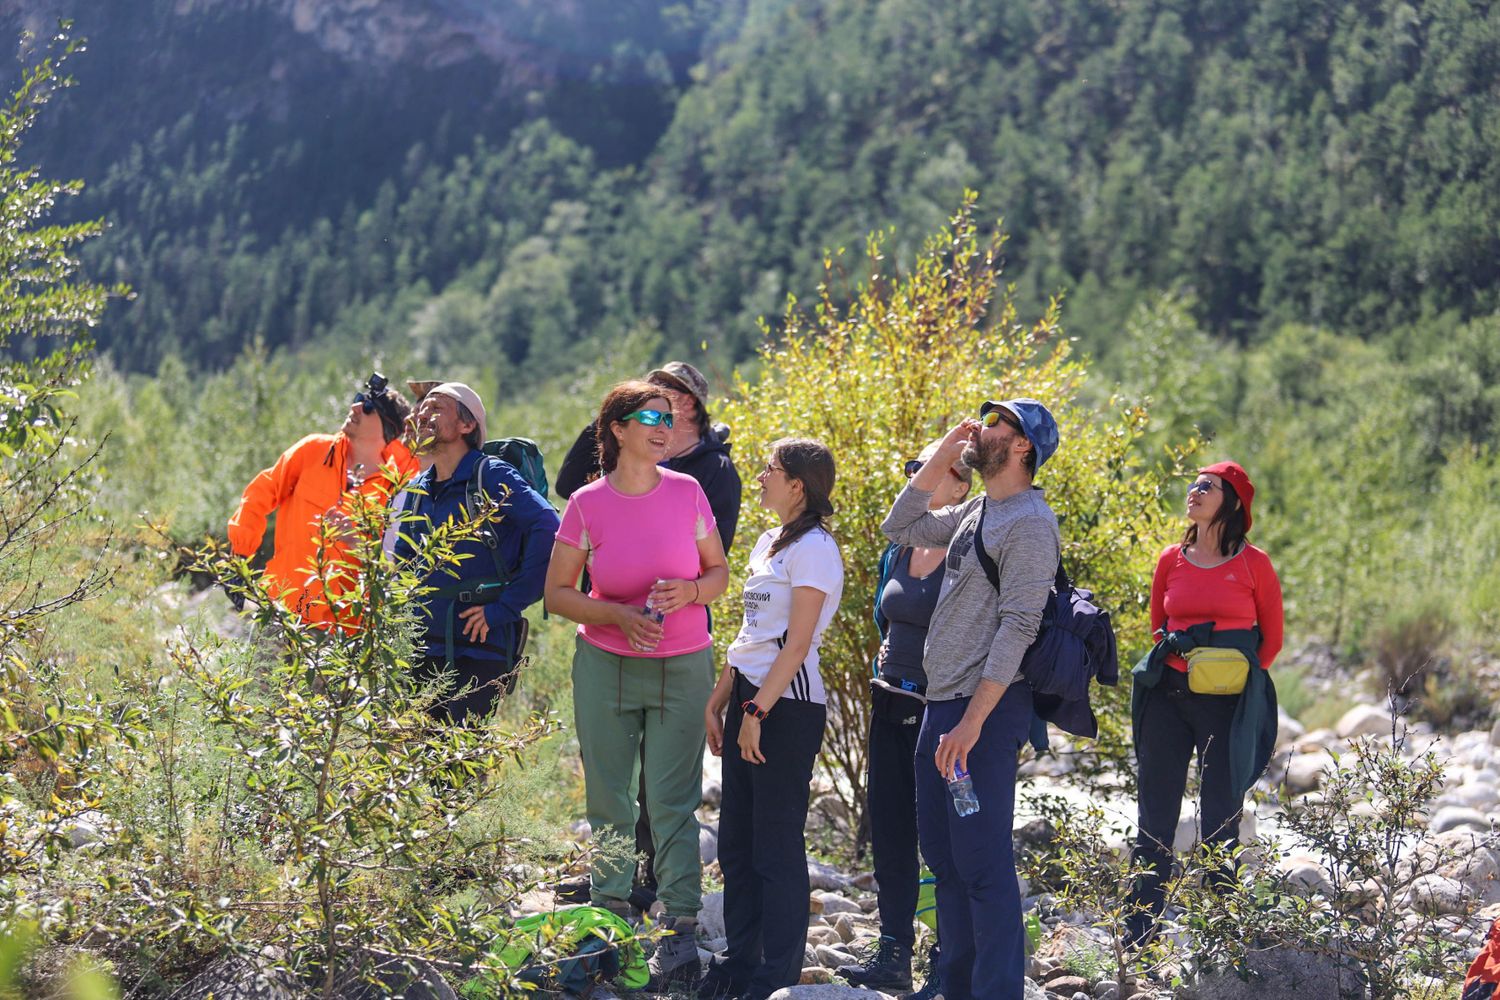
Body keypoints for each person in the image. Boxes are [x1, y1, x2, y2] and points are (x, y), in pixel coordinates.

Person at [543, 380, 730, 990]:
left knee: (672, 802)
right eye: (650, 416)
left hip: (684, 665)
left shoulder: (689, 491)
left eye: (670, 418)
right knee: (611, 800)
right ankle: (608, 924)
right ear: (617, 429)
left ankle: (678, 936)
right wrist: (616, 614)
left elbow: (718, 571)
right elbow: (558, 594)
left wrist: (693, 593)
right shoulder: (587, 505)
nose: (664, 426)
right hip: (606, 667)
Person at [879, 398, 1061, 1000]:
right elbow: (899, 527)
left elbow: (1019, 626)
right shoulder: (979, 509)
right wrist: (936, 457)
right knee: (946, 860)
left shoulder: (1031, 523)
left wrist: (974, 723)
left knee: (982, 864)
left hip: (984, 711)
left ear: (1022, 447)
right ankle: (954, 987)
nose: (981, 431)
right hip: (943, 704)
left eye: (995, 426)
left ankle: (999, 991)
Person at [700, 439, 845, 1000]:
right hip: (748, 696)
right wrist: (722, 698)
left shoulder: (815, 548)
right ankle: (742, 961)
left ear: (797, 486)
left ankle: (776, 976)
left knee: (776, 846)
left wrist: (758, 710)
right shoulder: (768, 542)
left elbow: (798, 643)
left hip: (787, 706)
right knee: (736, 841)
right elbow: (753, 637)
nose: (759, 477)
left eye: (771, 470)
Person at [1125, 460, 1283, 947]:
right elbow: (1158, 627)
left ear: (1232, 500)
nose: (1193, 492)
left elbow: (1271, 643)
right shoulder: (1170, 558)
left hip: (1227, 705)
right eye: (1192, 485)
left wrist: (1221, 673)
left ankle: (1220, 929)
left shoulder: (1254, 563)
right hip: (1167, 699)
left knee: (1220, 814)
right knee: (1155, 812)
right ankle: (1138, 930)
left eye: (1206, 486)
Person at [839, 445, 972, 997]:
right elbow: (883, 615)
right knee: (891, 832)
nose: (916, 476)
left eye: (931, 468)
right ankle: (893, 951)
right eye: (915, 468)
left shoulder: (969, 543)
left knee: (948, 838)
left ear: (960, 487)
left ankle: (951, 960)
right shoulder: (900, 548)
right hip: (890, 702)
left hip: (942, 713)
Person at [394, 382, 559, 723]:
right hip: (423, 645)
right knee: (422, 762)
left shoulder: (492, 474)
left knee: (460, 760)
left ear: (467, 426)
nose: (423, 413)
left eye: (436, 407)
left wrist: (505, 607)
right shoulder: (416, 489)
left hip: (480, 644)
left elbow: (549, 527)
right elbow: (403, 563)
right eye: (422, 407)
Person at [228, 372, 416, 625]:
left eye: (368, 406)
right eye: (359, 398)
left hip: (342, 635)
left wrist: (358, 540)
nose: (355, 406)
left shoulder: (395, 490)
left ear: (388, 429)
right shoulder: (313, 450)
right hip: (280, 610)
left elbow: (394, 560)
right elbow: (260, 492)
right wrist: (239, 556)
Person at [556, 361, 741, 554]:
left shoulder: (717, 469)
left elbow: (713, 555)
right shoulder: (629, 453)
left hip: (671, 584)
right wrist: (613, 414)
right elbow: (567, 485)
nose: (652, 394)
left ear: (688, 402)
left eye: (662, 387)